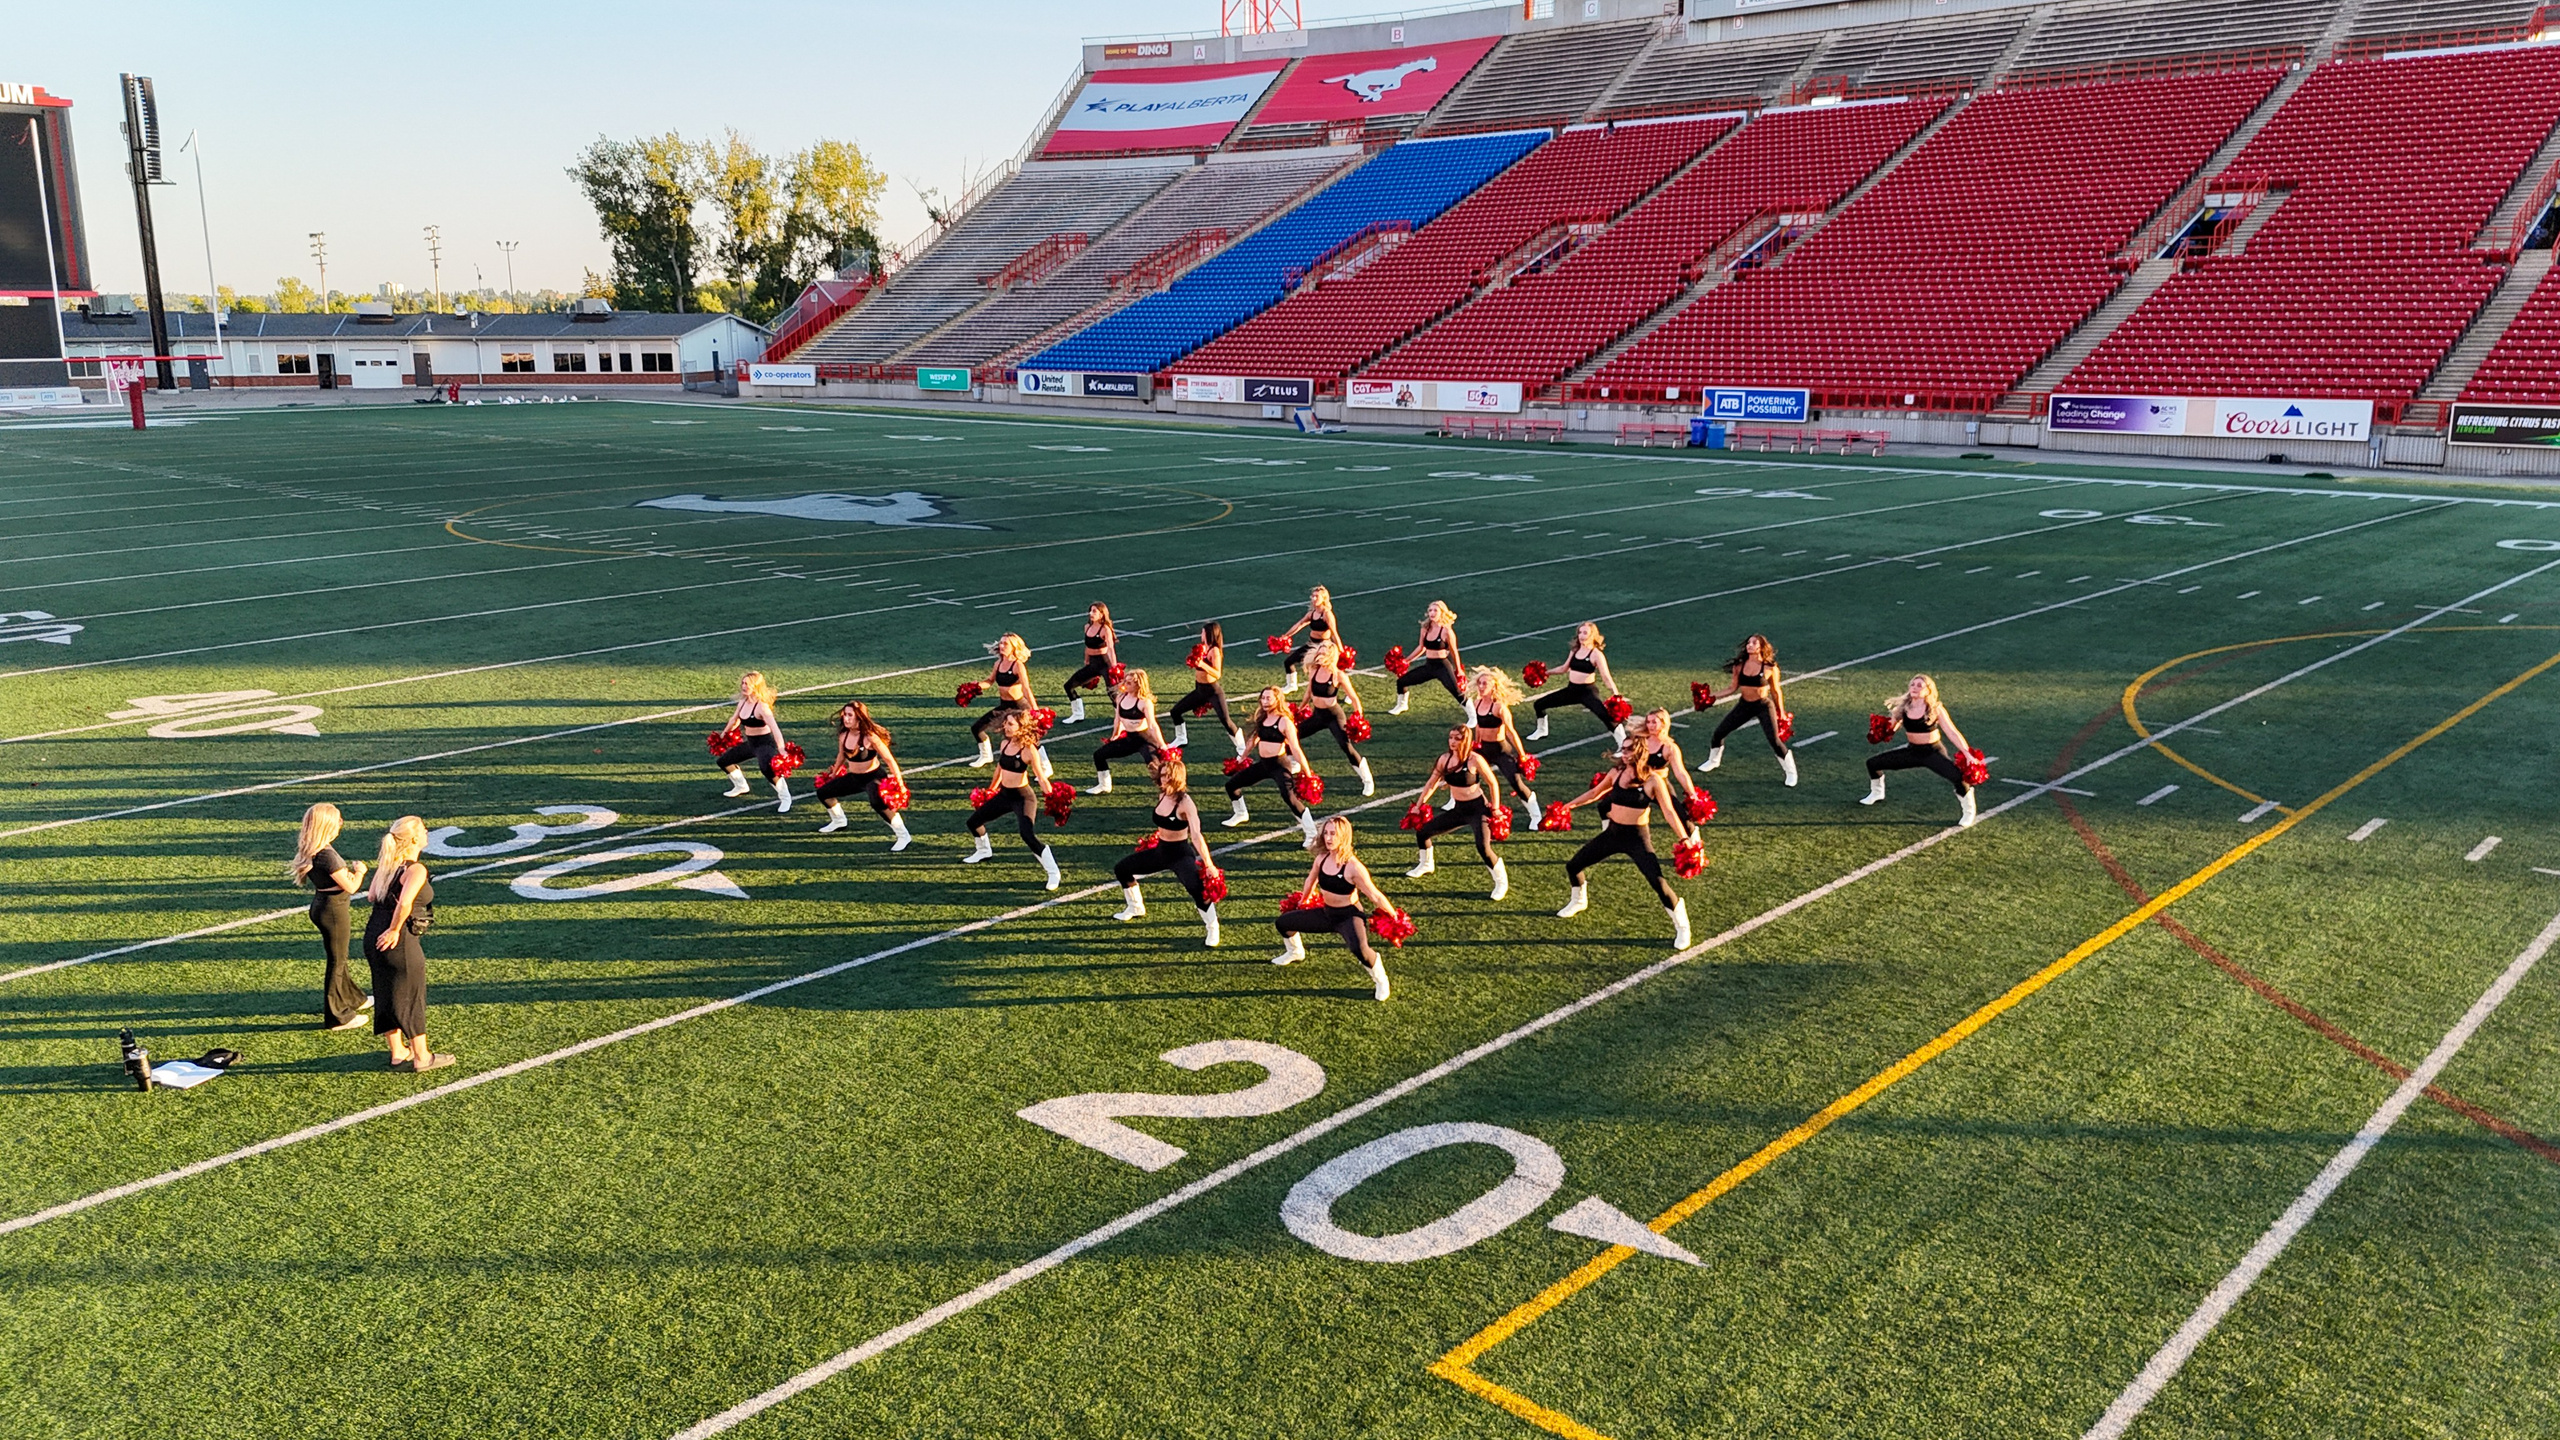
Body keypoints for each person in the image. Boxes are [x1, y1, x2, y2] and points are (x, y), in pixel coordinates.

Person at [1552, 743, 1697, 948]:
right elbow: (1595, 792)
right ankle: (1579, 900)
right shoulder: (1617, 772)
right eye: (1624, 749)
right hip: (1612, 834)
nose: (1625, 754)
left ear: (1640, 752)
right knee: (1573, 866)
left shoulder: (1653, 780)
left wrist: (1684, 839)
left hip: (1637, 838)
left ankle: (1682, 927)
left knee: (1659, 884)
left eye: (1629, 750)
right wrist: (1568, 806)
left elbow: (1669, 812)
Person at [1272, 815, 1401, 1001]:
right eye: (1326, 833)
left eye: (1333, 834)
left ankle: (1381, 980)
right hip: (1326, 913)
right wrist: (1303, 901)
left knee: (1361, 951)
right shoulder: (1322, 858)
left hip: (1349, 916)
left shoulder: (1354, 867)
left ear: (1344, 836)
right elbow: (1311, 880)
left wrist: (1393, 915)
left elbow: (1374, 895)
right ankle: (1295, 952)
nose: (1329, 838)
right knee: (1284, 923)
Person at [361, 816, 450, 1072]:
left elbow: (371, 896)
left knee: (385, 992)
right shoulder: (415, 869)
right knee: (411, 995)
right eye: (423, 829)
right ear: (412, 838)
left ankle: (398, 1052)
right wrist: (394, 929)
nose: (427, 832)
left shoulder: (387, 865)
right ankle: (422, 1056)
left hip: (372, 935)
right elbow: (405, 903)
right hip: (399, 939)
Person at [1110, 750, 1222, 947]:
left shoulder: (1186, 803)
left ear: (1177, 778)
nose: (1163, 780)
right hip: (1161, 851)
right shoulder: (1162, 794)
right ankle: (1135, 907)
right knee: (1122, 869)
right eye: (1162, 775)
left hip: (1180, 854)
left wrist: (1209, 864)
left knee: (1195, 888)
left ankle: (1212, 927)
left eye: (1168, 777)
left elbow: (1196, 835)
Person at [289, 802, 371, 1031]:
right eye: (338, 820)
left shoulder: (313, 849)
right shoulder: (327, 856)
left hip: (324, 905)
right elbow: (352, 886)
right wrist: (360, 871)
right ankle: (337, 1017)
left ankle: (355, 998)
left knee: (340, 957)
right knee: (337, 962)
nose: (341, 823)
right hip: (333, 910)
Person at [963, 707, 1064, 888]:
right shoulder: (1005, 744)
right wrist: (991, 789)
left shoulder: (1028, 750)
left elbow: (1040, 777)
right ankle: (984, 850)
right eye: (1006, 723)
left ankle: (1053, 871)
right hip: (1004, 795)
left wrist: (1052, 797)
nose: (1007, 727)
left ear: (1021, 727)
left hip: (1023, 797)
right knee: (973, 822)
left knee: (1027, 834)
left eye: (1011, 724)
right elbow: (1000, 768)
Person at [1408, 726, 1509, 900]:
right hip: (1459, 810)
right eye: (1451, 738)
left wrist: (1496, 808)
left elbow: (1493, 783)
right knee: (1423, 832)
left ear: (1466, 740)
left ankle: (1501, 882)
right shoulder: (1444, 759)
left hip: (1478, 809)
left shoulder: (1474, 760)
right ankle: (1426, 864)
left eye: (1457, 738)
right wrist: (1419, 804)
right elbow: (1431, 784)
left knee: (1483, 847)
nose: (1453, 742)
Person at [1865, 673, 1978, 827]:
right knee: (1872, 763)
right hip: (1913, 752)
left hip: (1932, 752)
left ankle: (1969, 811)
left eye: (1920, 685)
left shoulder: (1935, 708)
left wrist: (1967, 754)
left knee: (1958, 778)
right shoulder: (1904, 707)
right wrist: (1878, 731)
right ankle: (1877, 793)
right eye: (1913, 684)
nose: (1915, 688)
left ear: (1928, 690)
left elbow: (1952, 732)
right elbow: (1891, 727)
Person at [1222, 685, 1321, 848]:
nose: (1265, 701)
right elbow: (1253, 740)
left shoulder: (1284, 721)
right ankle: (1241, 813)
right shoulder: (1262, 718)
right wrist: (1241, 758)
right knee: (1231, 785)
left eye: (1269, 698)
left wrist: (1308, 772)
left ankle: (1312, 834)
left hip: (1279, 765)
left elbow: (1296, 748)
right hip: (1264, 764)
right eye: (1263, 698)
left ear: (1277, 700)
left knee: (1289, 798)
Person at [813, 701, 912, 849]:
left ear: (859, 717)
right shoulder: (844, 735)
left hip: (874, 777)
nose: (846, 718)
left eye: (850, 715)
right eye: (844, 714)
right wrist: (833, 774)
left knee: (878, 804)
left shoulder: (871, 737)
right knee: (823, 792)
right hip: (855, 777)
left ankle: (903, 835)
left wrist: (900, 782)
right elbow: (841, 755)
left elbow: (889, 760)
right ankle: (839, 820)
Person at [1700, 633, 1796, 786]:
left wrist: (1781, 713)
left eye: (1754, 643)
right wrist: (1711, 698)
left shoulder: (1770, 667)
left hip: (1763, 706)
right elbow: (1732, 688)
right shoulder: (1739, 666)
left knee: (1774, 740)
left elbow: (1776, 692)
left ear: (1761, 647)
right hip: (1744, 705)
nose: (1749, 645)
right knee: (1719, 732)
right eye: (1748, 643)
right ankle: (1713, 761)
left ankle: (1790, 772)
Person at [1300, 638, 1376, 796]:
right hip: (1317, 715)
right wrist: (1300, 709)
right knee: (1292, 735)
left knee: (1346, 747)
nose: (1320, 652)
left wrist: (1358, 717)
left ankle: (1367, 779)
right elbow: (1309, 692)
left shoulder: (1338, 675)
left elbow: (1354, 698)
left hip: (1333, 715)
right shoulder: (1314, 670)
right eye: (1320, 648)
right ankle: (1293, 762)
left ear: (1331, 654)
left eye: (1324, 650)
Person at [1529, 621, 1624, 744]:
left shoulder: (1596, 654)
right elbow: (1564, 668)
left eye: (1585, 633)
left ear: (1593, 635)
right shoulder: (1575, 650)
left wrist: (1615, 694)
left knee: (1606, 716)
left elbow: (1606, 676)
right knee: (1539, 704)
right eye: (1580, 632)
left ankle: (1623, 744)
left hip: (1587, 692)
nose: (1581, 635)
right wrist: (1545, 673)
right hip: (1572, 690)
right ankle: (1542, 730)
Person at [1465, 666, 1541, 817]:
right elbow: (1478, 727)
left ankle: (1535, 815)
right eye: (1479, 683)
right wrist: (1475, 745)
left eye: (1485, 683)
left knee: (1516, 783)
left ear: (1494, 686)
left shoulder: (1499, 708)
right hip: (1483, 749)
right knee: (1466, 775)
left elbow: (1511, 732)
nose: (1480, 687)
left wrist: (1522, 755)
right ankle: (1458, 803)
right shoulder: (1476, 704)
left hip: (1500, 750)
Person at [714, 670, 795, 812]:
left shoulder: (762, 707)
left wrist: (781, 749)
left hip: (764, 744)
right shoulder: (743, 701)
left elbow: (775, 729)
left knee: (767, 769)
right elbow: (734, 720)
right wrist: (723, 735)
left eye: (748, 684)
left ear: (756, 687)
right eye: (743, 683)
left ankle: (785, 797)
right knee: (723, 761)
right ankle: (741, 786)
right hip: (751, 743)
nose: (744, 686)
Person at [1167, 620, 1245, 756]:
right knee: (1175, 711)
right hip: (1200, 690)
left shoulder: (1214, 651)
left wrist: (1202, 664)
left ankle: (1241, 747)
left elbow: (1217, 673)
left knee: (1225, 720)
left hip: (1212, 691)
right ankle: (1181, 738)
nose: (1201, 634)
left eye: (1203, 632)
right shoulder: (1203, 647)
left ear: (1209, 634)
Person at [1088, 667, 1167, 794]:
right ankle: (1104, 785)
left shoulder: (1145, 702)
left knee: (1154, 766)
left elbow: (1152, 725)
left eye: (1129, 682)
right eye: (1125, 681)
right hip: (1129, 739)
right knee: (1099, 755)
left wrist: (1162, 744)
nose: (1125, 684)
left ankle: (1168, 791)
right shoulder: (1120, 698)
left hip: (1144, 739)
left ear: (1138, 685)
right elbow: (1117, 720)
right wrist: (1115, 736)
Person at [970, 632, 1040, 768]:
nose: (1001, 646)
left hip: (1019, 707)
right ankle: (986, 756)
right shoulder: (999, 663)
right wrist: (976, 686)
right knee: (977, 728)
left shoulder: (1018, 665)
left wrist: (1035, 709)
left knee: (1027, 739)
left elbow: (1026, 688)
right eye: (1001, 643)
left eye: (1005, 644)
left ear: (1014, 647)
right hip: (1004, 706)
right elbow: (990, 681)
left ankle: (1043, 765)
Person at [1390, 600, 1466, 715]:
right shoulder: (1425, 628)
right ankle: (1402, 705)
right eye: (1430, 610)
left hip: (1442, 665)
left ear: (1442, 612)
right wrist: (1407, 660)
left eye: (1435, 610)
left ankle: (1472, 715)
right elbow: (1421, 647)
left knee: (1456, 691)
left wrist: (1458, 669)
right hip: (1429, 666)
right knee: (1402, 681)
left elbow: (1454, 651)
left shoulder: (1447, 631)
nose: (1432, 613)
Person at [1276, 584, 1344, 697]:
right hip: (1311, 644)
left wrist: (1340, 649)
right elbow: (1299, 624)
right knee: (1288, 661)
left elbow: (1334, 632)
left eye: (1317, 596)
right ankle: (1292, 685)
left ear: (1324, 599)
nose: (1313, 599)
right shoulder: (1312, 614)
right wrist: (1286, 636)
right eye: (1312, 596)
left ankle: (1346, 691)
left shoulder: (1327, 614)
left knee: (1331, 670)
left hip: (1324, 646)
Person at [1062, 602, 1121, 725]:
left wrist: (1114, 668)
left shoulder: (1105, 629)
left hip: (1105, 663)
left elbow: (1110, 649)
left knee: (1112, 692)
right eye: (1090, 611)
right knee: (1069, 686)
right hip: (1093, 664)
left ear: (1102, 614)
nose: (1091, 613)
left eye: (1094, 611)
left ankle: (1122, 717)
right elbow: (1088, 647)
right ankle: (1078, 714)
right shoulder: (1087, 627)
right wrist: (1086, 660)